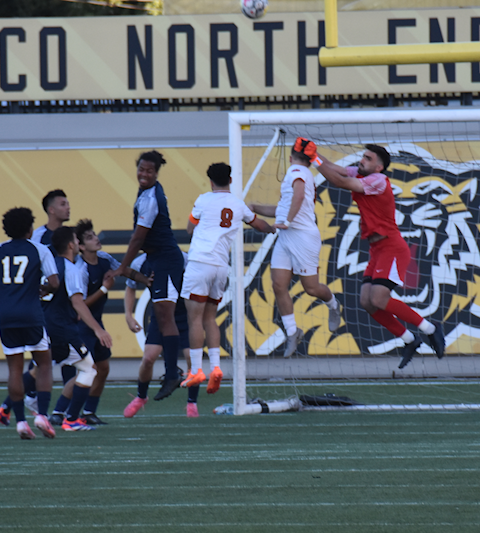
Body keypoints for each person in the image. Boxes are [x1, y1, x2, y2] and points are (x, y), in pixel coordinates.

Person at [306, 140, 445, 369]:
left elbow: (339, 181)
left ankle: (430, 329)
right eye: (363, 156)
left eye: (368, 158)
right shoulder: (361, 174)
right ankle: (410, 340)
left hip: (392, 247)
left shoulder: (378, 181)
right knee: (367, 303)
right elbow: (336, 169)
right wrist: (316, 156)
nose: (362, 160)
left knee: (379, 299)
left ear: (379, 167)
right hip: (377, 250)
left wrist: (312, 158)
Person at [178, 163, 274, 394]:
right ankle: (217, 368)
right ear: (230, 180)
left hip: (201, 263)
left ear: (211, 181)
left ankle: (196, 370)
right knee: (211, 318)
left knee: (194, 320)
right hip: (221, 267)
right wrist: (273, 228)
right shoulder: (238, 205)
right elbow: (259, 224)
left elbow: (190, 228)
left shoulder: (203, 200)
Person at [249, 142, 342, 357]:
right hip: (286, 236)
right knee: (279, 285)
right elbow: (281, 209)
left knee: (311, 288)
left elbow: (299, 196)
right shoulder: (299, 174)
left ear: (290, 158)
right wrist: (255, 207)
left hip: (302, 236)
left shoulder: (297, 171)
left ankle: (333, 305)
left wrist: (288, 221)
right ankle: (293, 331)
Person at [0, 207, 59, 440]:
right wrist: (44, 289)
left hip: (7, 317)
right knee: (44, 363)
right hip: (31, 315)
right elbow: (54, 282)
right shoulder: (39, 249)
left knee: (14, 368)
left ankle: (20, 422)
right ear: (30, 228)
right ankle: (41, 415)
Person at [114, 151, 186, 404]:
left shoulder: (150, 198)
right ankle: (170, 373)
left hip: (166, 259)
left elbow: (138, 238)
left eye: (149, 171)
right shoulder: (147, 192)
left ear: (156, 173)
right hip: (158, 259)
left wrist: (123, 267)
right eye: (141, 169)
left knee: (165, 315)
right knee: (162, 315)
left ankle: (171, 374)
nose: (143, 174)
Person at [42, 226, 113, 431]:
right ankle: (65, 415)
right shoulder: (76, 269)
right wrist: (103, 289)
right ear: (77, 245)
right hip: (74, 326)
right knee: (86, 369)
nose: (96, 239)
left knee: (96, 368)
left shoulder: (104, 260)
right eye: (88, 237)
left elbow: (123, 268)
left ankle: (78, 413)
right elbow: (79, 304)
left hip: (73, 324)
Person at [123, 253, 195, 417]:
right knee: (148, 358)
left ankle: (192, 403)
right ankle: (141, 397)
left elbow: (196, 282)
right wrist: (128, 314)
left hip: (185, 315)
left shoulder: (181, 258)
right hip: (160, 314)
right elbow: (130, 286)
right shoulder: (139, 262)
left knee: (192, 357)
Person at [23, 189, 71, 411]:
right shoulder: (39, 236)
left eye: (67, 203)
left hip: (66, 303)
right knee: (47, 354)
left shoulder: (71, 235)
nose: (67, 207)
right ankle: (25, 398)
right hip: (46, 305)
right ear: (51, 210)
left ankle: (67, 408)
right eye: (62, 204)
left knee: (70, 352)